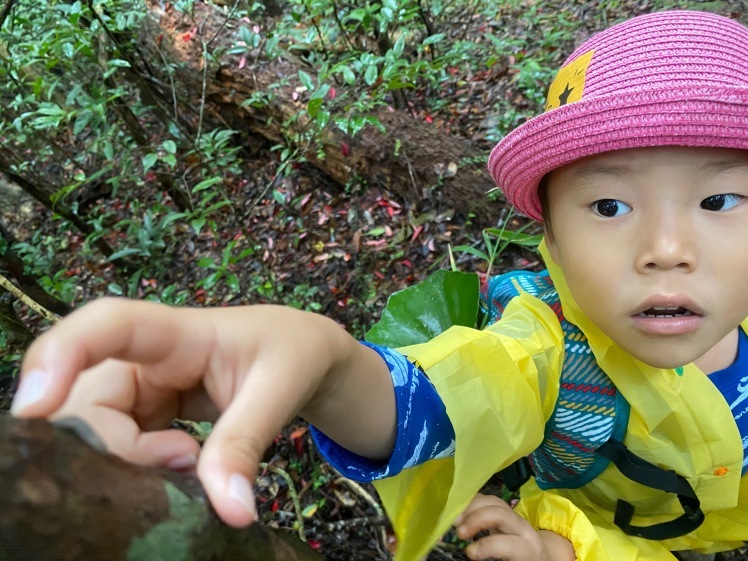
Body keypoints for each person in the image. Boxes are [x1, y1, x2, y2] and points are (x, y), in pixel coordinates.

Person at [10, 8, 748, 561]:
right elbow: (450, 389)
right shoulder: (552, 349)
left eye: (720, 200)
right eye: (610, 205)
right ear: (549, 235)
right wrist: (329, 373)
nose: (666, 249)